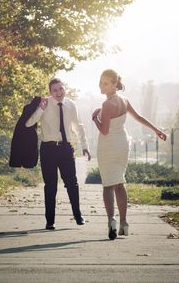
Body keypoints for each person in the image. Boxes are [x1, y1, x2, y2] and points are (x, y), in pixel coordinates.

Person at [92, 69, 166, 240]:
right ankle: (124, 223)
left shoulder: (107, 105)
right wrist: (157, 130)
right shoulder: (124, 101)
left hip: (109, 145)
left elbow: (104, 131)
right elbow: (139, 117)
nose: (101, 85)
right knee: (119, 182)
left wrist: (95, 118)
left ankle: (112, 221)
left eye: (105, 83)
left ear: (113, 85)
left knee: (108, 185)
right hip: (123, 143)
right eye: (100, 81)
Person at [26, 78, 91, 230]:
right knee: (50, 186)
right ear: (50, 92)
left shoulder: (71, 104)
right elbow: (29, 123)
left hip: (66, 149)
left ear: (64, 88)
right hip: (48, 149)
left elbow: (78, 127)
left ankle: (78, 215)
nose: (58, 93)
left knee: (72, 184)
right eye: (55, 90)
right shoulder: (44, 104)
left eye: (61, 89)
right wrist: (41, 109)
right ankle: (50, 221)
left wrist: (84, 146)